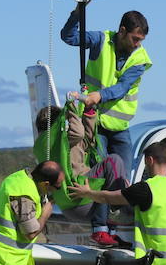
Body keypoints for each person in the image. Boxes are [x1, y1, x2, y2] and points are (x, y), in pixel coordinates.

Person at [60, 6, 152, 165]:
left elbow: (123, 87)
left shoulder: (140, 58)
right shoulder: (101, 40)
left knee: (124, 179)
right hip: (94, 123)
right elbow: (70, 37)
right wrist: (77, 14)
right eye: (135, 38)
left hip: (120, 128)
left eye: (140, 40)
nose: (137, 44)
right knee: (101, 173)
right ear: (122, 31)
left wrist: (99, 96)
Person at [33, 105, 130, 247]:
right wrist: (71, 110)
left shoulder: (41, 145)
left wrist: (89, 113)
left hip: (67, 207)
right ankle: (110, 220)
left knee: (103, 170)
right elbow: (78, 133)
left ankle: (109, 232)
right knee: (113, 161)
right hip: (81, 197)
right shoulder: (57, 138)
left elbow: (86, 139)